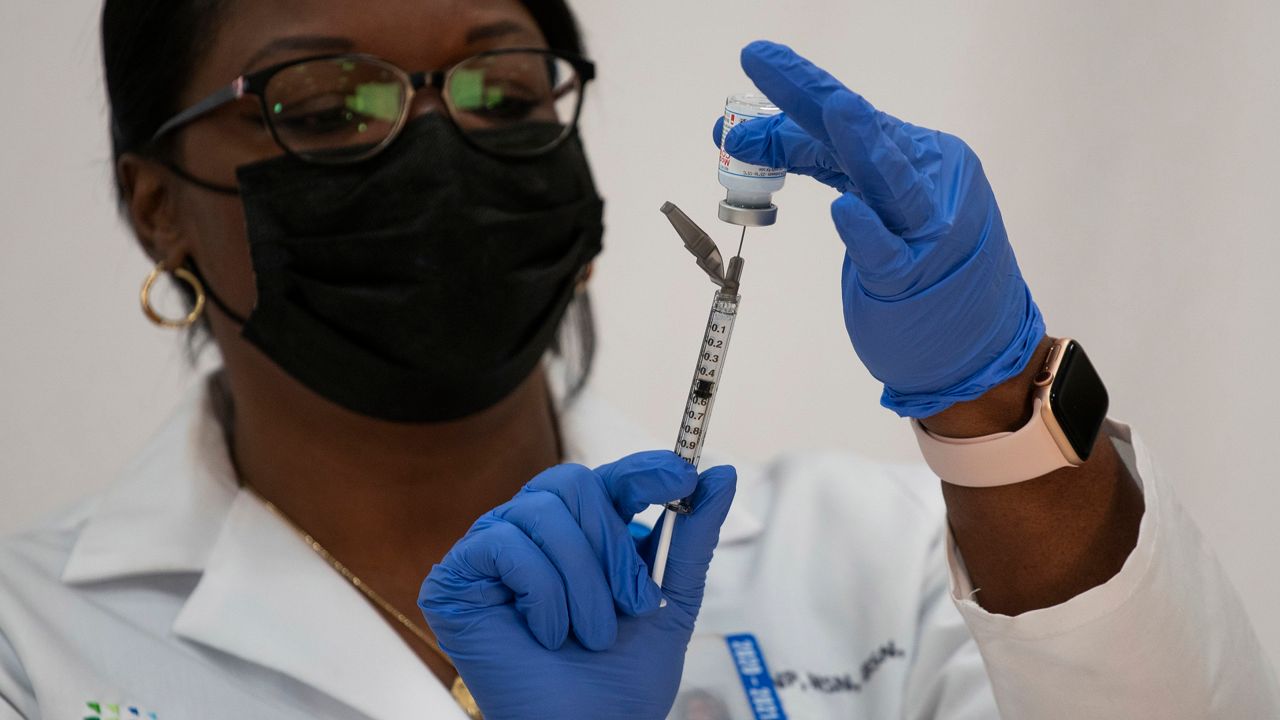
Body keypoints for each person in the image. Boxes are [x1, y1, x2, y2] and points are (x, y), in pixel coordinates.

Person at [0, 0, 1274, 718]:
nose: (438, 149)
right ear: (156, 201)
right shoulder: (31, 643)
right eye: (327, 107)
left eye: (503, 92)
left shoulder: (870, 567)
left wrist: (997, 412)